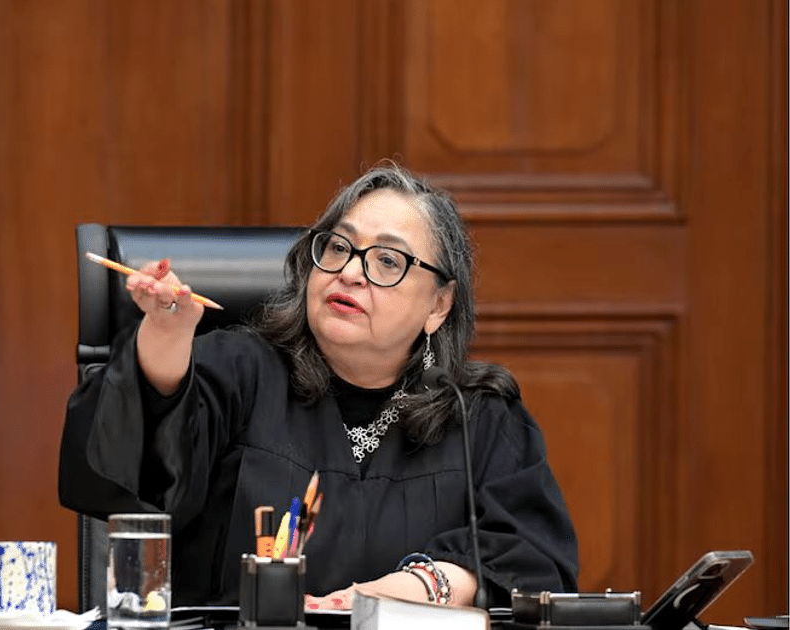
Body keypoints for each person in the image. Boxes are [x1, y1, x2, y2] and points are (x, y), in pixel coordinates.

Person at [58, 162, 578, 609]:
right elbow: (127, 476)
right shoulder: (239, 370)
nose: (351, 272)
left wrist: (414, 587)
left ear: (439, 305)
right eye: (338, 247)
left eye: (388, 261)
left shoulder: (478, 415)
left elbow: (536, 564)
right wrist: (166, 338)